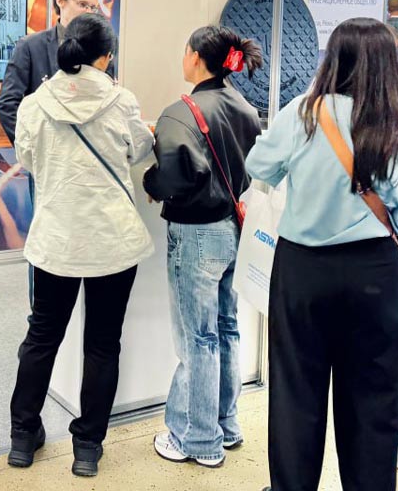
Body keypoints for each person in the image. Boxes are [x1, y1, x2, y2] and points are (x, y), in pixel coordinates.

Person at [245, 18, 398, 491]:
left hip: (302, 270)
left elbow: (258, 165)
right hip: (373, 273)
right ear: (390, 65)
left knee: (295, 394)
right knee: (373, 398)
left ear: (332, 58)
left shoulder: (302, 114)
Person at [7, 13, 153, 478]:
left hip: (56, 240)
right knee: (103, 344)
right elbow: (140, 150)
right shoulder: (121, 101)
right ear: (106, 57)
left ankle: (23, 436)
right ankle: (87, 447)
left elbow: (27, 158)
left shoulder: (35, 104)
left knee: (42, 337)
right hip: (111, 242)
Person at [143, 26, 264, 469]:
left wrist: (151, 182)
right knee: (227, 329)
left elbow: (174, 176)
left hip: (195, 235)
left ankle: (196, 439)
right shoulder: (246, 108)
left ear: (194, 56)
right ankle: (226, 425)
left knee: (197, 338)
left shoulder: (181, 113)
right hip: (233, 229)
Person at [0, 0, 109, 143]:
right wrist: (30, 147)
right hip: (46, 150)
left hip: (89, 152)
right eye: (82, 4)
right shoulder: (30, 47)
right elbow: (8, 104)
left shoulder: (101, 49)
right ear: (60, 1)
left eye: (93, 7)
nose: (88, 12)